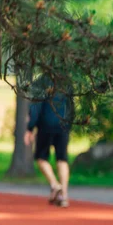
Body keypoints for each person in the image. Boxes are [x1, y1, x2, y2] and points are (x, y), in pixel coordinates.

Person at [24, 76, 73, 208]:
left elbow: (35, 107)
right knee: (62, 159)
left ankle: (55, 185)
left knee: (41, 157)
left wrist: (29, 128)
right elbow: (71, 105)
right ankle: (64, 196)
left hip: (45, 125)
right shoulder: (66, 82)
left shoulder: (41, 83)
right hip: (64, 124)